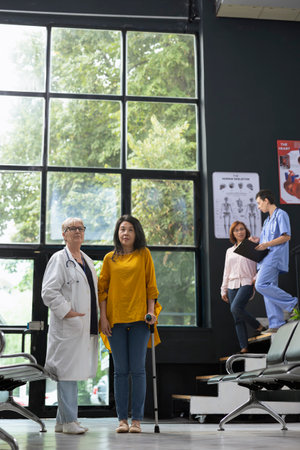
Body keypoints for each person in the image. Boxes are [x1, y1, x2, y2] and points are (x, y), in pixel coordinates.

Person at [98, 214, 161, 434]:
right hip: (114, 320)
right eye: (122, 229)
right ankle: (122, 420)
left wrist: (151, 312)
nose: (125, 233)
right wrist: (103, 317)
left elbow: (150, 285)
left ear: (136, 234)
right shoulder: (109, 259)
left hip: (139, 320)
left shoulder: (144, 254)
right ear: (117, 233)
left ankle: (136, 420)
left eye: (130, 230)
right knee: (121, 372)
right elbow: (102, 290)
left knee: (138, 370)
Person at [42, 217, 98, 434]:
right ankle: (69, 422)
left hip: (82, 326)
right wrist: (68, 311)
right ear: (63, 234)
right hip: (68, 325)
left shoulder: (88, 261)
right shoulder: (58, 259)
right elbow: (48, 292)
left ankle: (60, 421)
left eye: (80, 228)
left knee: (72, 372)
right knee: (67, 374)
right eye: (71, 228)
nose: (77, 231)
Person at [253, 189, 298, 333]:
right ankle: (276, 323)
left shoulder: (281, 214)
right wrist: (258, 241)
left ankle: (294, 304)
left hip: (275, 256)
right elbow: (267, 240)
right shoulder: (267, 221)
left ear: (266, 200)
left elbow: (286, 236)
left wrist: (265, 244)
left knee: (261, 284)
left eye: (259, 203)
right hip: (266, 257)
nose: (259, 207)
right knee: (269, 287)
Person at [221, 221, 266, 353]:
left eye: (242, 229)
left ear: (246, 231)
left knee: (236, 308)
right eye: (236, 230)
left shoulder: (252, 246)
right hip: (231, 284)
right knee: (237, 318)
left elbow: (262, 263)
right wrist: (223, 289)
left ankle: (257, 326)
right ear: (233, 234)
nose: (240, 232)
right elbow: (226, 271)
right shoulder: (229, 251)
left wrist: (255, 278)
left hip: (246, 282)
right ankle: (244, 347)